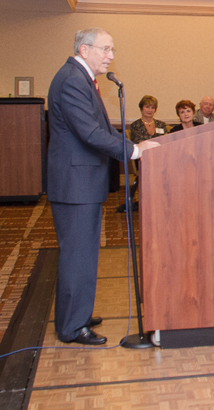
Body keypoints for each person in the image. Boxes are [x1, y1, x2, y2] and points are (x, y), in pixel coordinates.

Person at [47, 28, 158, 345]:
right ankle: (72, 327)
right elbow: (89, 133)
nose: (111, 56)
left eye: (112, 50)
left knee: (81, 254)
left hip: (81, 183)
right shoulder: (72, 80)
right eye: (106, 49)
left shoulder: (80, 78)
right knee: (77, 255)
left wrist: (132, 145)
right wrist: (134, 151)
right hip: (75, 184)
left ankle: (76, 314)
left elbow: (101, 129)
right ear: (84, 50)